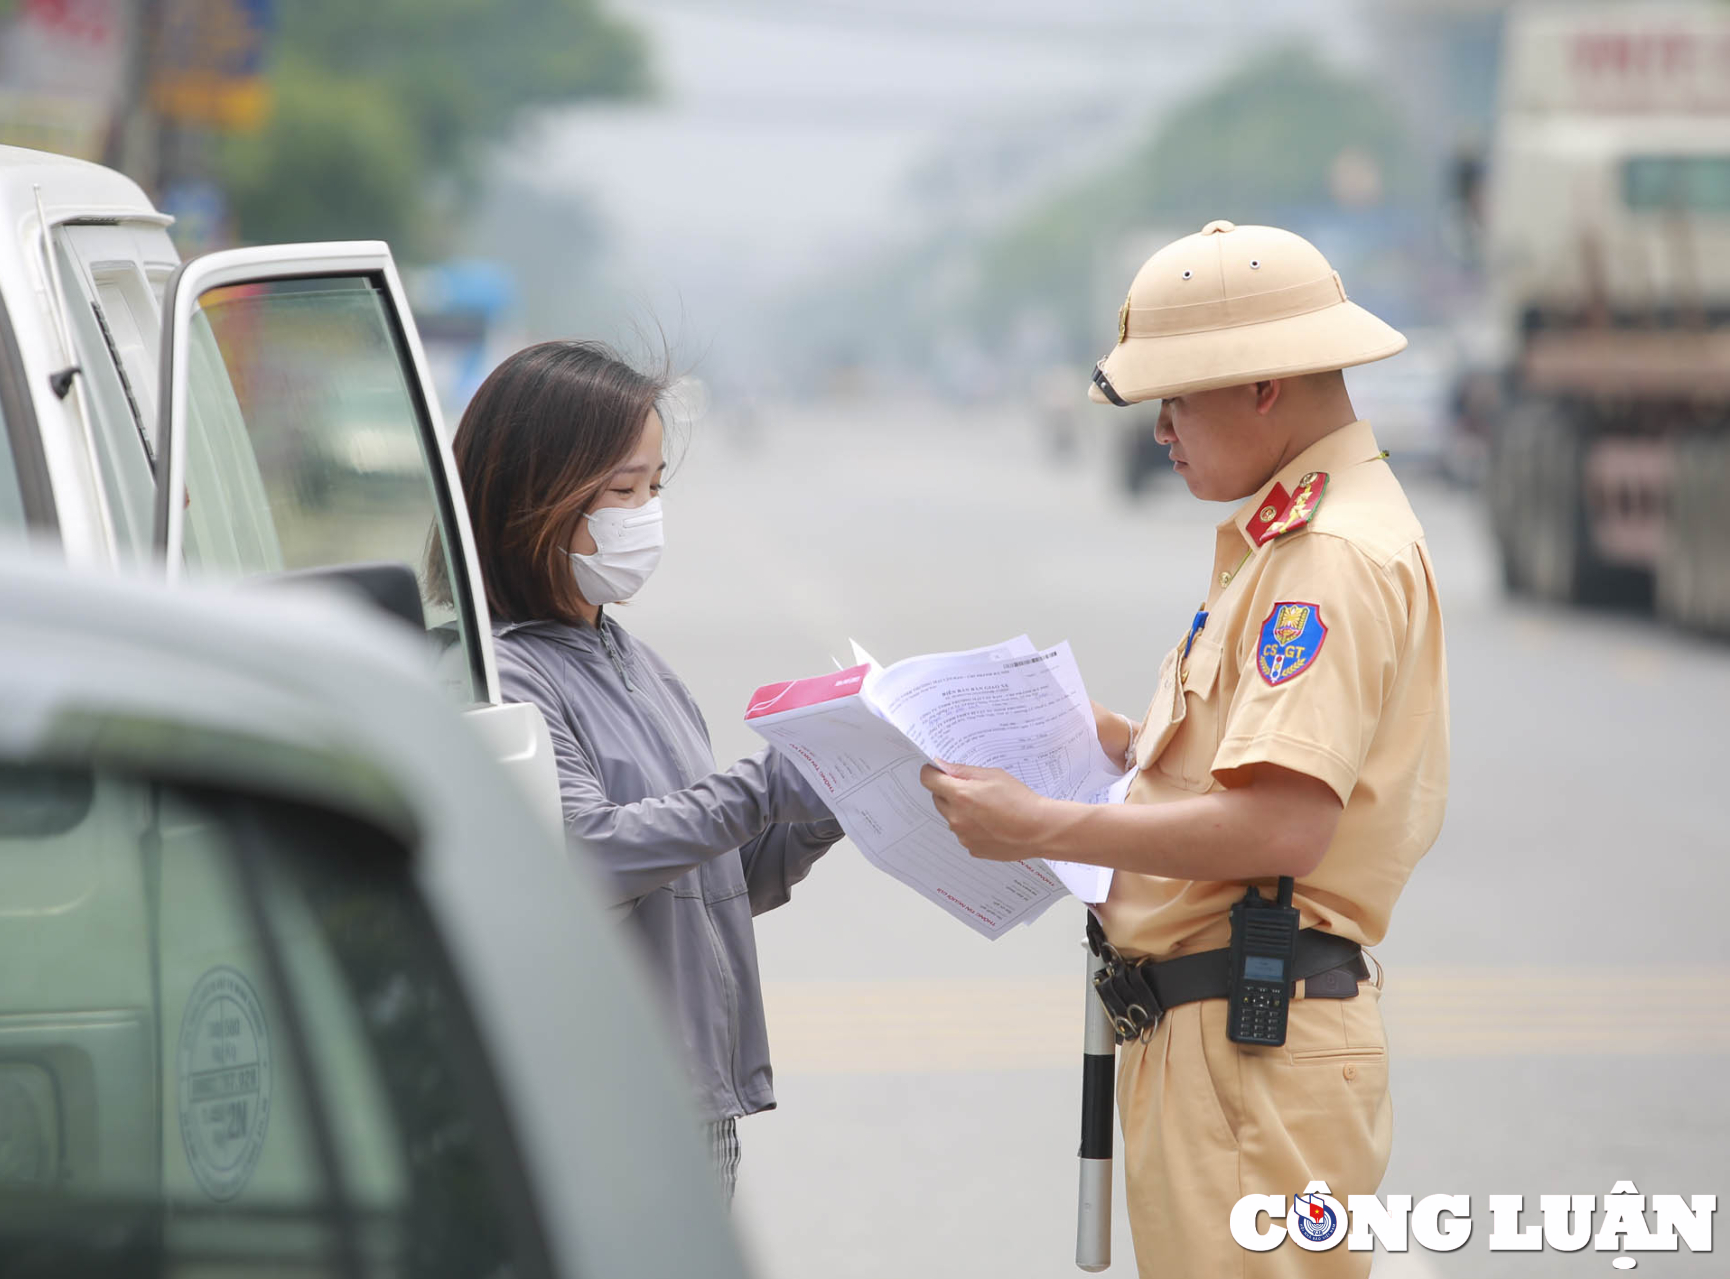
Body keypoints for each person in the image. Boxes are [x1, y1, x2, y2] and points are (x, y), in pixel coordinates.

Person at [921, 221, 1449, 1277]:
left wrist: (1040, 826)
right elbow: (1244, 762)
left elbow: (1285, 822)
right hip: (1224, 1039)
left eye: (1177, 397)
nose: (1161, 430)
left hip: (1250, 1045)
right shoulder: (1296, 535)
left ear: (1263, 385)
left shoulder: (1325, 557)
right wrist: (1111, 738)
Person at [446, 340, 841, 1201]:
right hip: (600, 1109)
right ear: (528, 498)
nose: (644, 513)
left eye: (654, 488)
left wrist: (830, 796)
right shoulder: (506, 675)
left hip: (693, 1100)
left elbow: (719, 877)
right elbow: (591, 853)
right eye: (621, 490)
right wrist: (767, 785)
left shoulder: (637, 664)